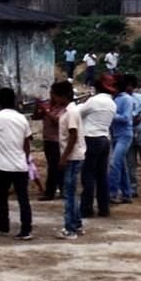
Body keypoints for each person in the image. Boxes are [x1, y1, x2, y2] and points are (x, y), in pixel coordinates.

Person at [0, 88, 33, 241]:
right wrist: (27, 159)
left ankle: (4, 224)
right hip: (20, 164)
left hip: (3, 165)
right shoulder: (22, 119)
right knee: (23, 199)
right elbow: (27, 142)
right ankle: (26, 229)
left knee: (2, 197)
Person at [52, 81, 86, 240]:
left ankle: (70, 228)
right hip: (73, 156)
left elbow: (73, 135)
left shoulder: (71, 112)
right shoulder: (68, 111)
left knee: (69, 193)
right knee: (72, 193)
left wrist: (63, 157)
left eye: (55, 95)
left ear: (62, 96)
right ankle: (77, 224)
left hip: (72, 157)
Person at [79, 76, 117, 218]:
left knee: (88, 175)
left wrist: (82, 103)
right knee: (102, 176)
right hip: (104, 138)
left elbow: (79, 113)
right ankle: (104, 208)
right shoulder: (112, 103)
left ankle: (87, 208)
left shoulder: (94, 101)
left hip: (91, 138)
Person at [32, 94, 65, 202]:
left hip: (56, 141)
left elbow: (57, 121)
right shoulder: (50, 107)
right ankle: (61, 189)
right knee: (55, 167)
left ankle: (50, 192)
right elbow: (36, 116)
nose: (51, 97)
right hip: (47, 140)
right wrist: (38, 106)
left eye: (53, 94)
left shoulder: (63, 109)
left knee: (53, 168)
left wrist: (46, 110)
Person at [108, 75, 134, 204]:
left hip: (124, 135)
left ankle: (112, 192)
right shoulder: (115, 98)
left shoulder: (127, 99)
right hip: (116, 134)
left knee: (114, 163)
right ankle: (127, 193)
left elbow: (126, 118)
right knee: (121, 164)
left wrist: (111, 115)